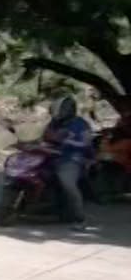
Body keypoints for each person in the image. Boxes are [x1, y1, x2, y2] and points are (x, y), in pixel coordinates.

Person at [41, 95, 95, 225]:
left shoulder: (80, 124)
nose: (56, 113)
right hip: (51, 156)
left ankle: (80, 217)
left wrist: (69, 142)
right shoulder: (53, 123)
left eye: (60, 110)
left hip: (72, 158)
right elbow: (44, 136)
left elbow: (86, 142)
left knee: (67, 183)